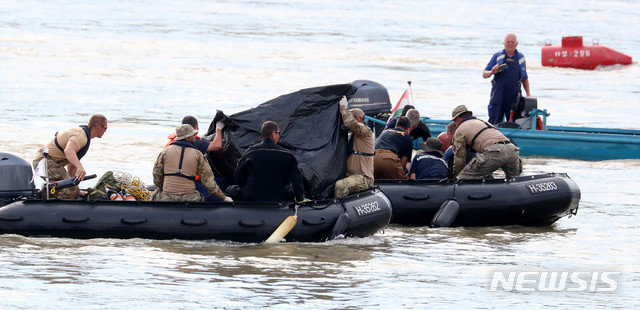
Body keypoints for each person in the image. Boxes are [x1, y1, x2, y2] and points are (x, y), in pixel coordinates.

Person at [32, 114, 108, 199]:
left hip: (50, 163)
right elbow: (68, 150)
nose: (105, 131)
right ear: (99, 127)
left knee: (74, 190)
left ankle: (44, 196)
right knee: (69, 191)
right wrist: (80, 167)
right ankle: (51, 206)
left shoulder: (85, 136)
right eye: (105, 128)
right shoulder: (81, 136)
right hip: (44, 161)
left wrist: (77, 189)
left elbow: (72, 167)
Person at [152, 124, 231, 202]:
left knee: (155, 194)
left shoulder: (164, 152)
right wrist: (223, 197)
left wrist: (165, 188)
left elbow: (156, 175)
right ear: (189, 137)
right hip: (190, 198)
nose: (195, 136)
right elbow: (208, 181)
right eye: (193, 135)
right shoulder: (198, 154)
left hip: (166, 197)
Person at [233, 121, 305, 202]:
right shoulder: (287, 155)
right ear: (274, 134)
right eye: (278, 133)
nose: (278, 135)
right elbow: (297, 181)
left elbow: (238, 178)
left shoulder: (250, 152)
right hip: (278, 198)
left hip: (251, 197)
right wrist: (299, 199)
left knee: (231, 189)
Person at [450, 105, 522, 180]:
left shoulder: (460, 130)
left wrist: (455, 178)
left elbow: (459, 159)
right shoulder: (483, 122)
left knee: (463, 178)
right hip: (512, 149)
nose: (455, 124)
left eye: (454, 121)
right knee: (514, 179)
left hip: (494, 151)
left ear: (458, 118)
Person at [166, 115, 227, 201]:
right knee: (222, 184)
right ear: (195, 128)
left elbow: (157, 174)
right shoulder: (196, 144)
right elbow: (217, 145)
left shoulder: (170, 145)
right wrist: (218, 129)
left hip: (171, 183)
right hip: (189, 185)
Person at [483, 33, 531, 124]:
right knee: (494, 121)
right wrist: (492, 72)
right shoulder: (497, 56)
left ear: (516, 44)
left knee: (514, 123)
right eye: (508, 42)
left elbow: (524, 78)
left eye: (512, 42)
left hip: (514, 96)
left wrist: (528, 94)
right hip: (498, 95)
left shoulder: (521, 58)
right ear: (504, 43)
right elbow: (484, 74)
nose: (510, 44)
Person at [334, 96, 374, 198]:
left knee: (340, 185)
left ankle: (340, 210)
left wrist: (343, 107)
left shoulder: (365, 131)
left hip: (364, 178)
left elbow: (351, 124)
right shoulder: (352, 136)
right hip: (351, 176)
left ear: (357, 118)